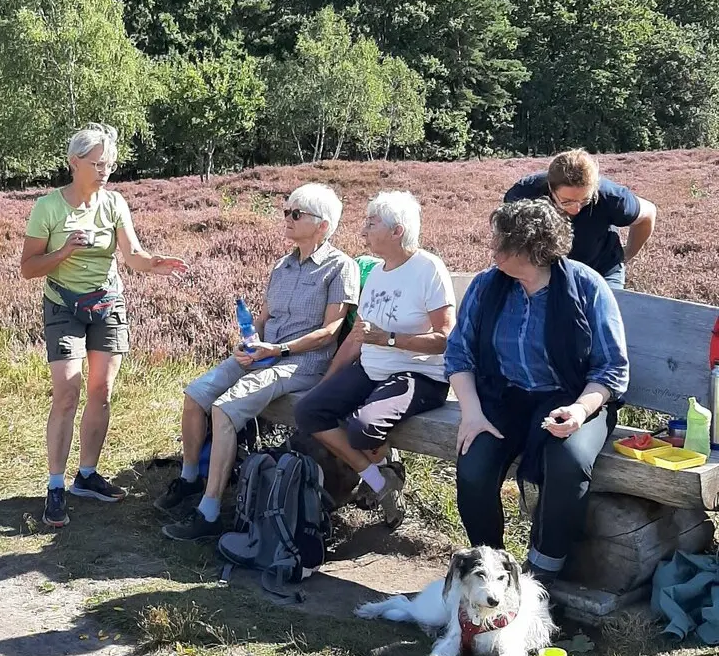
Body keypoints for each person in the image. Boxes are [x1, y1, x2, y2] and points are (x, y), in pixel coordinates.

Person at [156, 183, 359, 541]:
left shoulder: (340, 267)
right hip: (264, 354)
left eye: (297, 214)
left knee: (224, 408)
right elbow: (263, 319)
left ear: (323, 225)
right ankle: (189, 478)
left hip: (302, 364)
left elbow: (329, 332)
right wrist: (248, 344)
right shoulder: (282, 266)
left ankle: (210, 512)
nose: (288, 219)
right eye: (286, 212)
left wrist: (277, 351)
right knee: (196, 394)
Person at [445, 199, 629, 585]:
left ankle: (542, 573)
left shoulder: (586, 287)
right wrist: (472, 413)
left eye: (501, 242)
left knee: (569, 459)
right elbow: (458, 353)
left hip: (573, 396)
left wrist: (579, 411)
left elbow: (612, 368)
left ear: (530, 249)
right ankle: (489, 571)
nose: (492, 248)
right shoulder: (486, 285)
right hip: (503, 395)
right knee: (474, 464)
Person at [20, 123, 189, 529]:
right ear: (73, 162)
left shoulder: (114, 204)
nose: (103, 172)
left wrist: (153, 265)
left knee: (102, 390)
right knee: (67, 390)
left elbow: (131, 254)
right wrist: (63, 251)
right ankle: (55, 486)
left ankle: (87, 475)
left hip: (108, 303)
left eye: (109, 165)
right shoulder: (48, 207)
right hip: (63, 304)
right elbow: (28, 269)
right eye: (96, 164)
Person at [293, 191, 456, 529]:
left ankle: (386, 467)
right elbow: (357, 338)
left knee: (363, 429)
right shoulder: (377, 273)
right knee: (308, 410)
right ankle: (380, 481)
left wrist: (392, 340)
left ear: (397, 231)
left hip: (418, 375)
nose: (362, 230)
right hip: (371, 369)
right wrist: (326, 384)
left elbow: (445, 340)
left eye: (371, 223)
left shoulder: (428, 268)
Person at [504, 148, 657, 289]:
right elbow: (508, 237)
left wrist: (628, 253)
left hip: (602, 271)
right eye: (567, 201)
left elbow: (648, 213)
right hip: (545, 271)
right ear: (550, 188)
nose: (576, 209)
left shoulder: (613, 198)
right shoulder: (524, 195)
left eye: (585, 201)